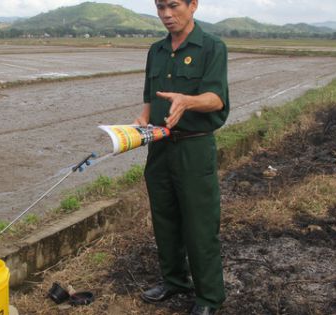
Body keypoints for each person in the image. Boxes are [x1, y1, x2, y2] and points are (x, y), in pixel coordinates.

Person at [133, 0, 229, 314]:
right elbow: (150, 95)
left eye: (173, 6)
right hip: (159, 146)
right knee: (165, 217)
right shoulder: (156, 51)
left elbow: (216, 99)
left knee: (199, 224)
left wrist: (187, 101)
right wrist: (142, 121)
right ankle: (174, 280)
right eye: (160, 7)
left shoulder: (211, 47)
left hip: (193, 147)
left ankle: (209, 297)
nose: (166, 15)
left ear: (193, 5)